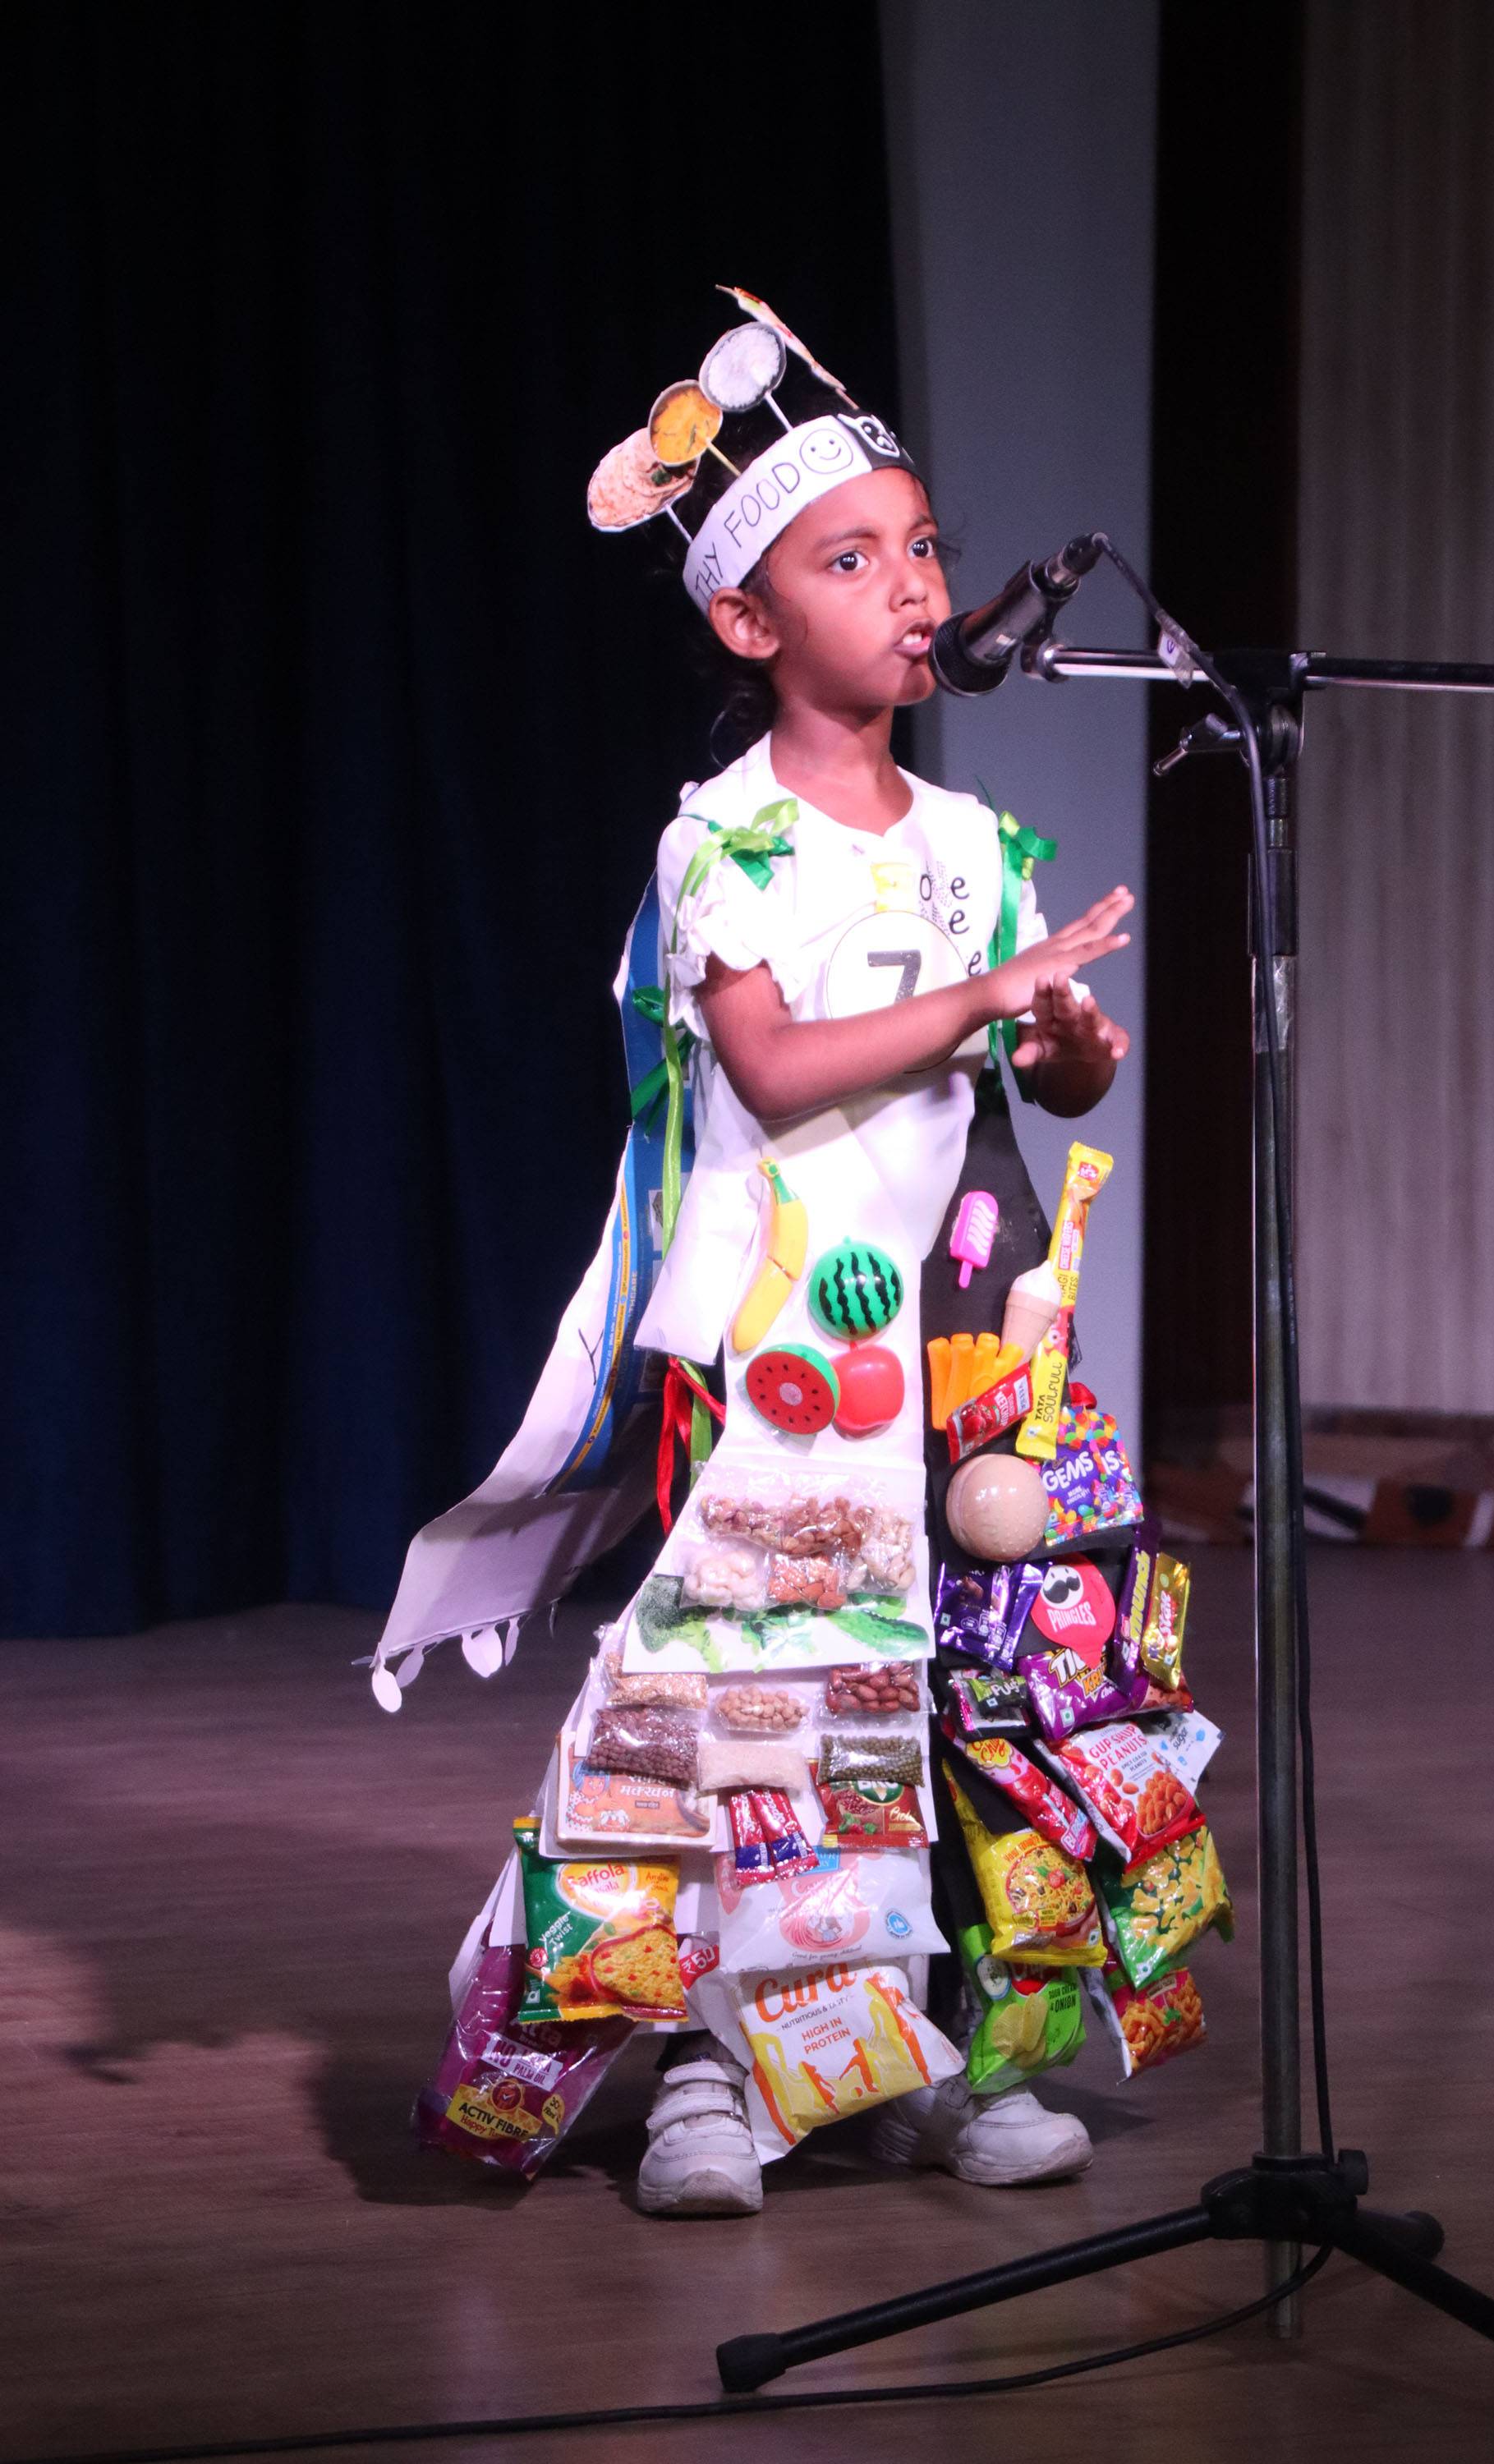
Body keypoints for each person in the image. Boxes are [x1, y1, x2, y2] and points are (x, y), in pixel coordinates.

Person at [381, 293, 1134, 2218]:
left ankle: (925, 2059)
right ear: (746, 621)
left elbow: (1026, 1082)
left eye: (923, 545)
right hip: (783, 1347)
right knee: (757, 1710)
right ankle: (713, 2073)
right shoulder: (720, 840)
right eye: (851, 558)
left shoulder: (969, 838)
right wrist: (988, 995)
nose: (915, 585)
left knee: (950, 1702)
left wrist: (1064, 1041)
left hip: (950, 1346)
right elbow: (777, 1065)